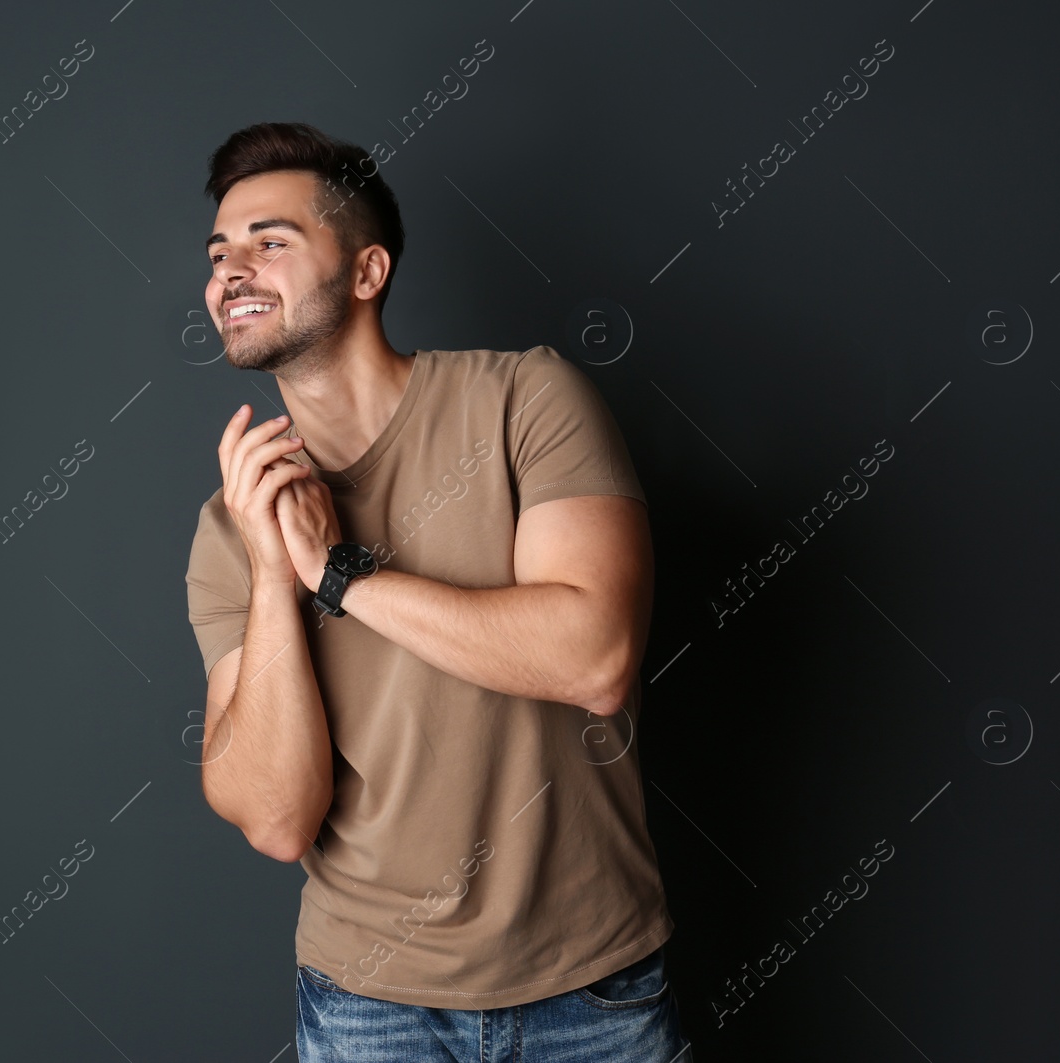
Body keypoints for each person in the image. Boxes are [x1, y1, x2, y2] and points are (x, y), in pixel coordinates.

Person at [185, 121, 691, 1062]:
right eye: (219, 254)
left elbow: (595, 658)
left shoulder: (525, 401)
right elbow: (276, 816)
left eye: (271, 242)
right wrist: (270, 572)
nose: (231, 272)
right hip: (368, 1005)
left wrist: (338, 575)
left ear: (368, 272)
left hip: (593, 991)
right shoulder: (234, 525)